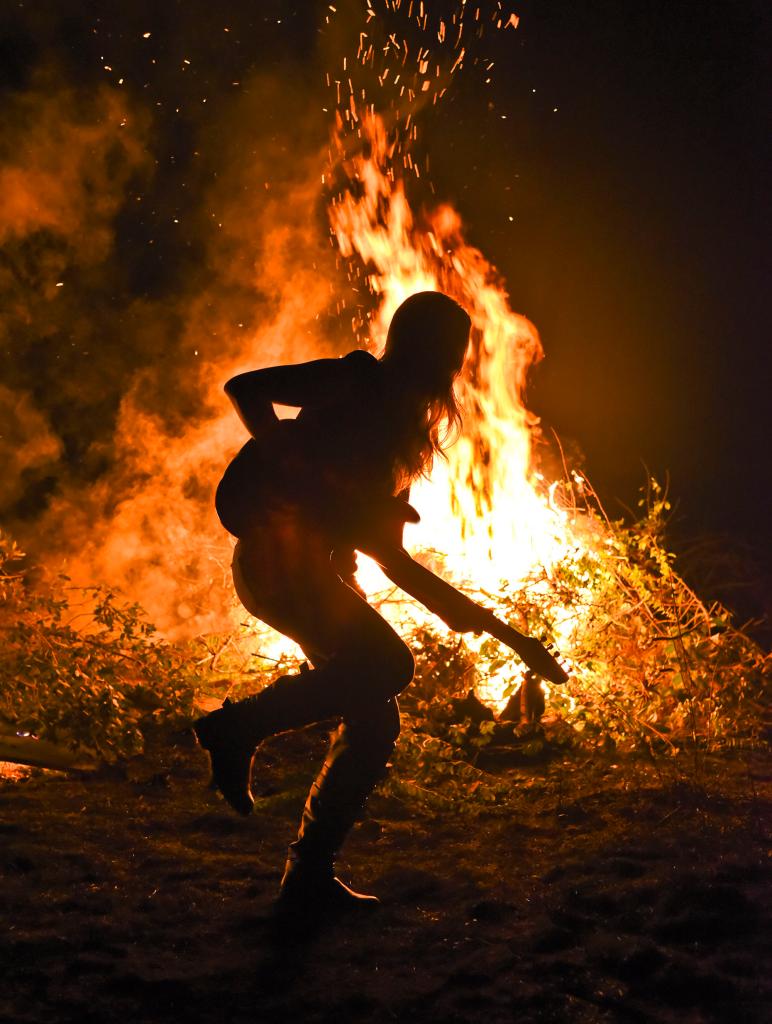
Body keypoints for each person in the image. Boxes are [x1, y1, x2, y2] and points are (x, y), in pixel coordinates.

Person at [194, 291, 472, 915]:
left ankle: (308, 878)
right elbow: (246, 387)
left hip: (317, 572)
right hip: (275, 563)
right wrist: (285, 457)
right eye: (449, 348)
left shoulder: (399, 431)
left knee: (375, 722)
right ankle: (236, 728)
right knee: (391, 668)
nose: (452, 363)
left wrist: (475, 619)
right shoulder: (354, 378)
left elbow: (391, 558)